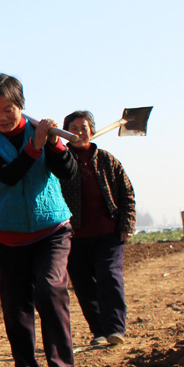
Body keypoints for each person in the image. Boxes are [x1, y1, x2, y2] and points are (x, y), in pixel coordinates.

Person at [0, 73, 77, 367]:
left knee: (50, 288)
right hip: (8, 233)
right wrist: (35, 148)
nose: (2, 117)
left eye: (8, 109)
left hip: (51, 227)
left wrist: (51, 144)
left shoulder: (44, 133)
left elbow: (68, 171)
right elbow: (7, 177)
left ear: (21, 106)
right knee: (15, 306)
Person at [61, 110, 136, 346]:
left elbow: (127, 194)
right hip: (74, 235)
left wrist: (126, 224)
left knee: (109, 276)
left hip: (108, 233)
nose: (80, 132)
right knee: (84, 286)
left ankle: (115, 328)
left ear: (92, 130)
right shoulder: (60, 161)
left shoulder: (107, 160)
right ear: (65, 133)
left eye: (84, 127)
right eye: (73, 128)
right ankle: (99, 331)